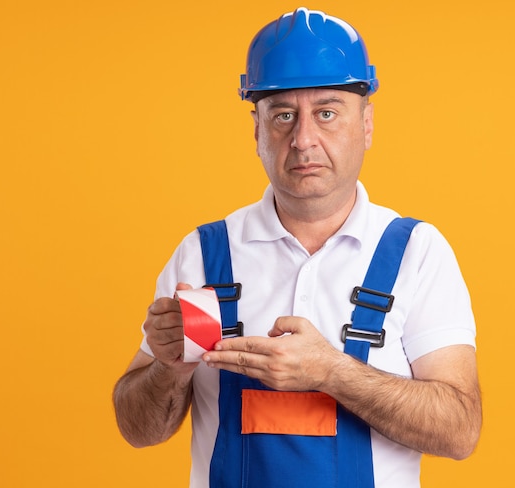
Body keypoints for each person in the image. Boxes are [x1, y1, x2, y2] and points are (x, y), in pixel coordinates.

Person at [113, 7, 482, 488]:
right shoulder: (202, 255)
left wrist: (332, 372)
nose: (304, 139)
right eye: (283, 115)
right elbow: (138, 430)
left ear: (366, 124)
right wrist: (169, 367)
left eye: (326, 113)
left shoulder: (417, 253)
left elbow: (460, 431)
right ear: (257, 131)